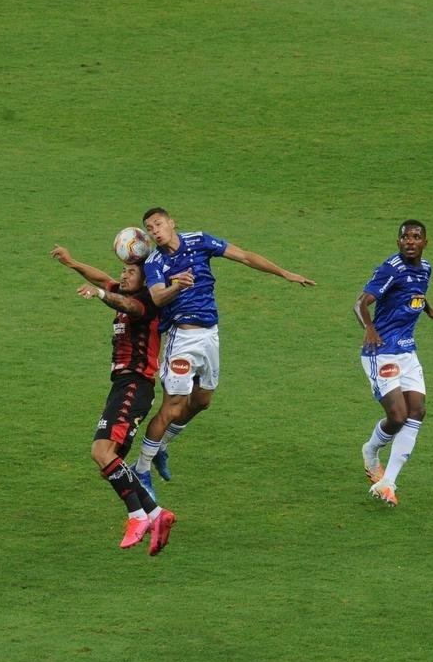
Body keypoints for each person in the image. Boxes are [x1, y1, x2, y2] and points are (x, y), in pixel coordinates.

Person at [131, 207, 315, 489]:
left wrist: (284, 273)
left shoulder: (199, 240)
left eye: (158, 224)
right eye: (150, 227)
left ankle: (162, 447)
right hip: (182, 339)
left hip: (210, 335)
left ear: (172, 222)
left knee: (202, 401)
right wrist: (178, 286)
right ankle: (141, 470)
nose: (155, 230)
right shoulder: (155, 262)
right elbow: (156, 297)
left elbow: (243, 256)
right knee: (171, 408)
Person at [51, 245, 176, 555]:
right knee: (109, 458)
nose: (123, 274)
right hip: (123, 386)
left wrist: (100, 295)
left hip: (135, 385)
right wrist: (72, 262)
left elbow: (127, 305)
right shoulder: (122, 290)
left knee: (102, 451)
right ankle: (157, 515)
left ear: (146, 280)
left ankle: (137, 516)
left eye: (130, 272)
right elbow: (103, 277)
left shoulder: (145, 302)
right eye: (123, 270)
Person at [354, 220, 433, 506]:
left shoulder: (426, 268)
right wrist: (369, 329)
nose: (410, 241)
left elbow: (415, 290)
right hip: (381, 353)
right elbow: (360, 304)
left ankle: (388, 483)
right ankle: (370, 452)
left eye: (416, 237)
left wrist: (429, 308)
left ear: (425, 242)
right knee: (397, 416)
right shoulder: (390, 269)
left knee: (416, 411)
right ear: (398, 242)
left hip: (407, 352)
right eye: (404, 237)